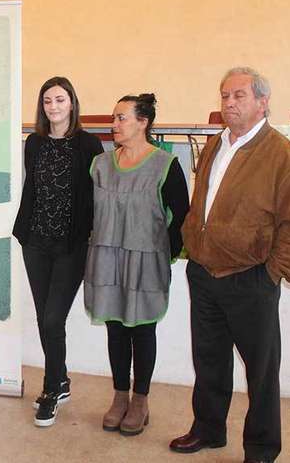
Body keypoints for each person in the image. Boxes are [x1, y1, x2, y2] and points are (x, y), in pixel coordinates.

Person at [169, 68, 290, 463]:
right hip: (205, 273)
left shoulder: (284, 157)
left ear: (262, 102)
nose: (229, 103)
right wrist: (192, 242)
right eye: (224, 96)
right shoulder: (215, 146)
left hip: (251, 279)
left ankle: (262, 449)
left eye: (238, 95)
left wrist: (271, 274)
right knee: (209, 360)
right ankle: (209, 429)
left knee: (261, 371)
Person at [85, 93, 189, 436]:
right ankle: (119, 397)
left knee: (143, 329)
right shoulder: (100, 165)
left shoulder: (165, 165)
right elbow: (88, 213)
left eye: (121, 118)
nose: (113, 124)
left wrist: (164, 254)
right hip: (107, 258)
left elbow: (182, 217)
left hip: (146, 261)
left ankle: (140, 401)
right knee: (115, 327)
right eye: (113, 118)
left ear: (143, 122)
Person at [13, 76, 104, 427]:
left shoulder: (89, 144)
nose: (53, 106)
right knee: (44, 318)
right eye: (47, 101)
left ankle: (51, 389)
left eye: (60, 100)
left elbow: (96, 195)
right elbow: (33, 187)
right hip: (35, 242)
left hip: (70, 245)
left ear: (72, 104)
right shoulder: (34, 143)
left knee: (53, 318)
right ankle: (60, 380)